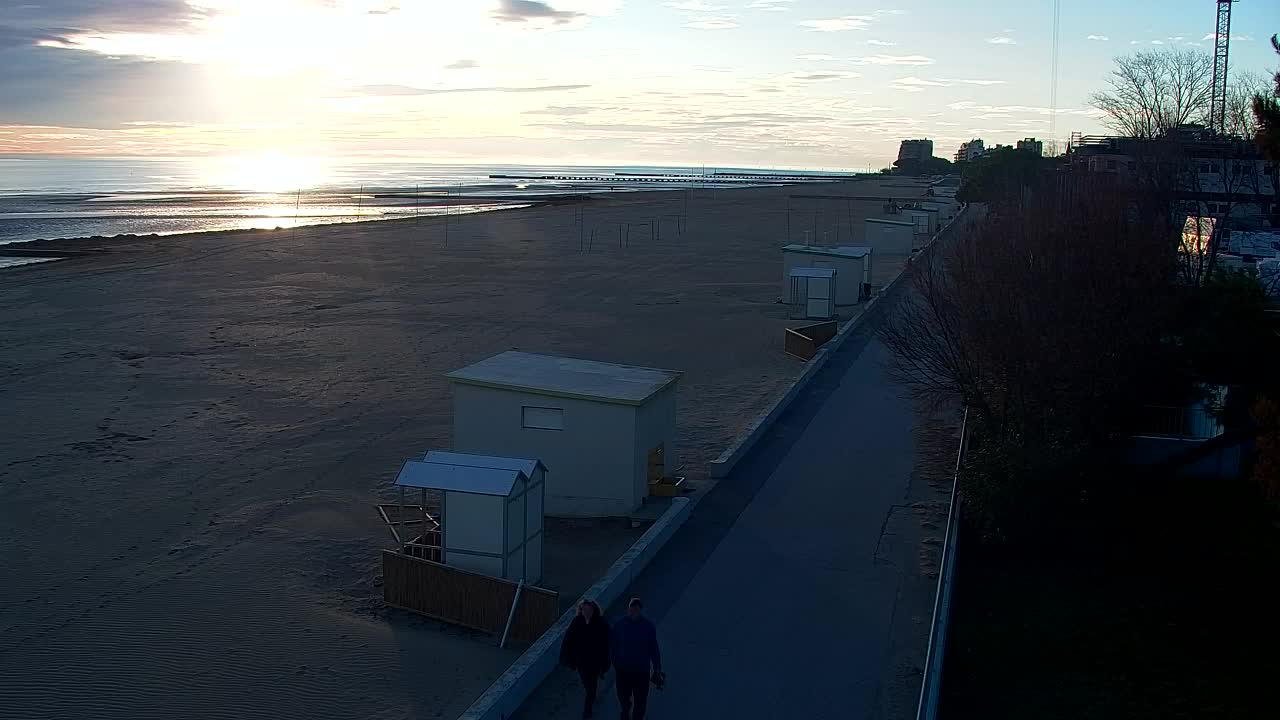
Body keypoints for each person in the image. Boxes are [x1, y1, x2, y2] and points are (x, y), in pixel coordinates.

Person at [611, 597, 662, 720]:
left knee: (641, 700)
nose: (634, 612)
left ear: (640, 610)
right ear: (628, 609)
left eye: (636, 610)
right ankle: (625, 710)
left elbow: (653, 648)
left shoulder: (648, 626)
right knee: (623, 697)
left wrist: (657, 667)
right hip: (623, 670)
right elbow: (613, 646)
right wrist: (615, 663)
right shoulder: (619, 625)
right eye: (632, 609)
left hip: (641, 671)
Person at [560, 599, 610, 719]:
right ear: (581, 611)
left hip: (595, 662)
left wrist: (605, 662)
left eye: (589, 610)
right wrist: (568, 659)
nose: (586, 612)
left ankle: (588, 708)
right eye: (584, 610)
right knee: (589, 686)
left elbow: (607, 642)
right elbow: (567, 641)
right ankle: (589, 705)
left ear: (593, 610)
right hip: (582, 662)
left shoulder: (600, 622)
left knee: (591, 686)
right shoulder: (577, 622)